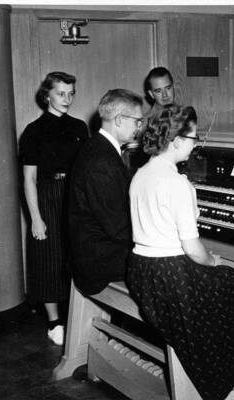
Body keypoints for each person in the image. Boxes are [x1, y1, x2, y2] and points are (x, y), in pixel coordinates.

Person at [127, 104, 234, 400]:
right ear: (176, 141)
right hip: (170, 274)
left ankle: (217, 363)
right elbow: (192, 249)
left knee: (222, 285)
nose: (195, 144)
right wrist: (212, 261)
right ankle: (223, 374)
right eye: (193, 138)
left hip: (141, 271)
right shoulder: (177, 183)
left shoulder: (140, 174)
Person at [19, 71, 89, 346]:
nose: (67, 99)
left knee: (78, 256)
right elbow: (29, 179)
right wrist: (36, 218)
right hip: (46, 195)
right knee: (48, 260)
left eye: (71, 93)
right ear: (46, 94)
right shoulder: (33, 132)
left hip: (74, 195)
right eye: (61, 93)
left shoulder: (80, 127)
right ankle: (53, 322)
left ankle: (77, 315)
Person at [68, 88, 143, 296]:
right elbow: (118, 229)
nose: (140, 127)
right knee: (171, 263)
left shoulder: (97, 147)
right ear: (119, 120)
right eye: (138, 121)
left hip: (96, 251)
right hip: (99, 262)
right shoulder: (102, 160)